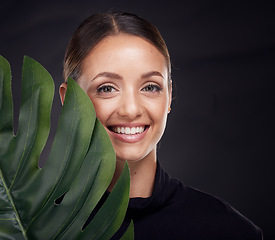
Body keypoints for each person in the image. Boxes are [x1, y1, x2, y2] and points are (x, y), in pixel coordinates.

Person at [59, 11, 263, 240]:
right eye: (107, 88)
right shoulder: (28, 226)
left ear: (169, 95)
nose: (131, 110)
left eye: (150, 87)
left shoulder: (228, 231)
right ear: (70, 102)